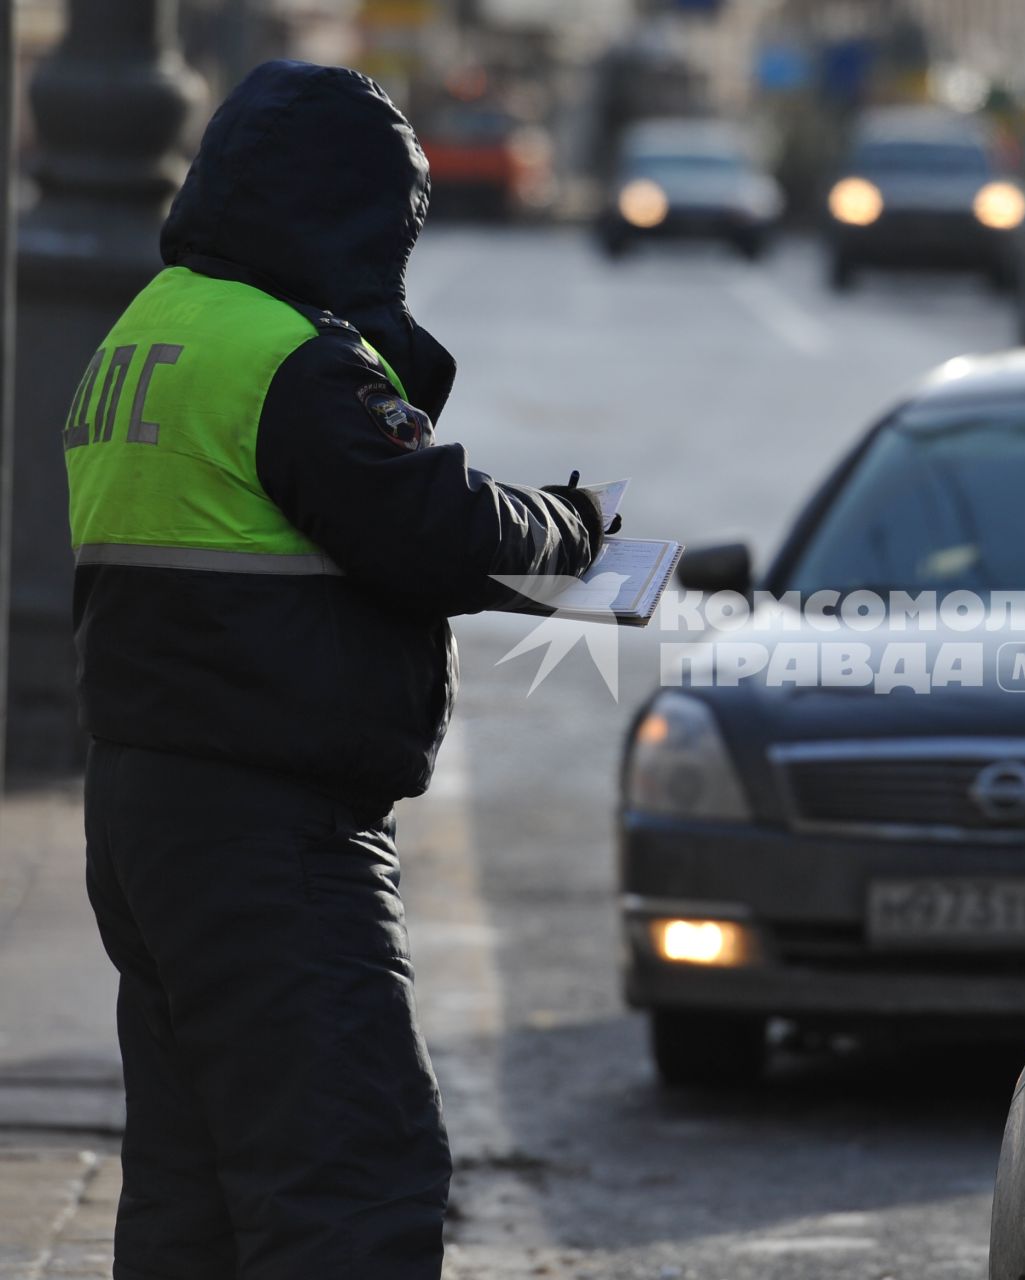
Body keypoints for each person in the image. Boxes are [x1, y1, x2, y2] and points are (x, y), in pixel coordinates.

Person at [64, 61, 600, 1279]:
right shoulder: (289, 358)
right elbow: (434, 526)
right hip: (273, 832)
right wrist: (575, 530)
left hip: (143, 813)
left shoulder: (142, 333)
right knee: (348, 1176)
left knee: (191, 1193)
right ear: (347, 210)